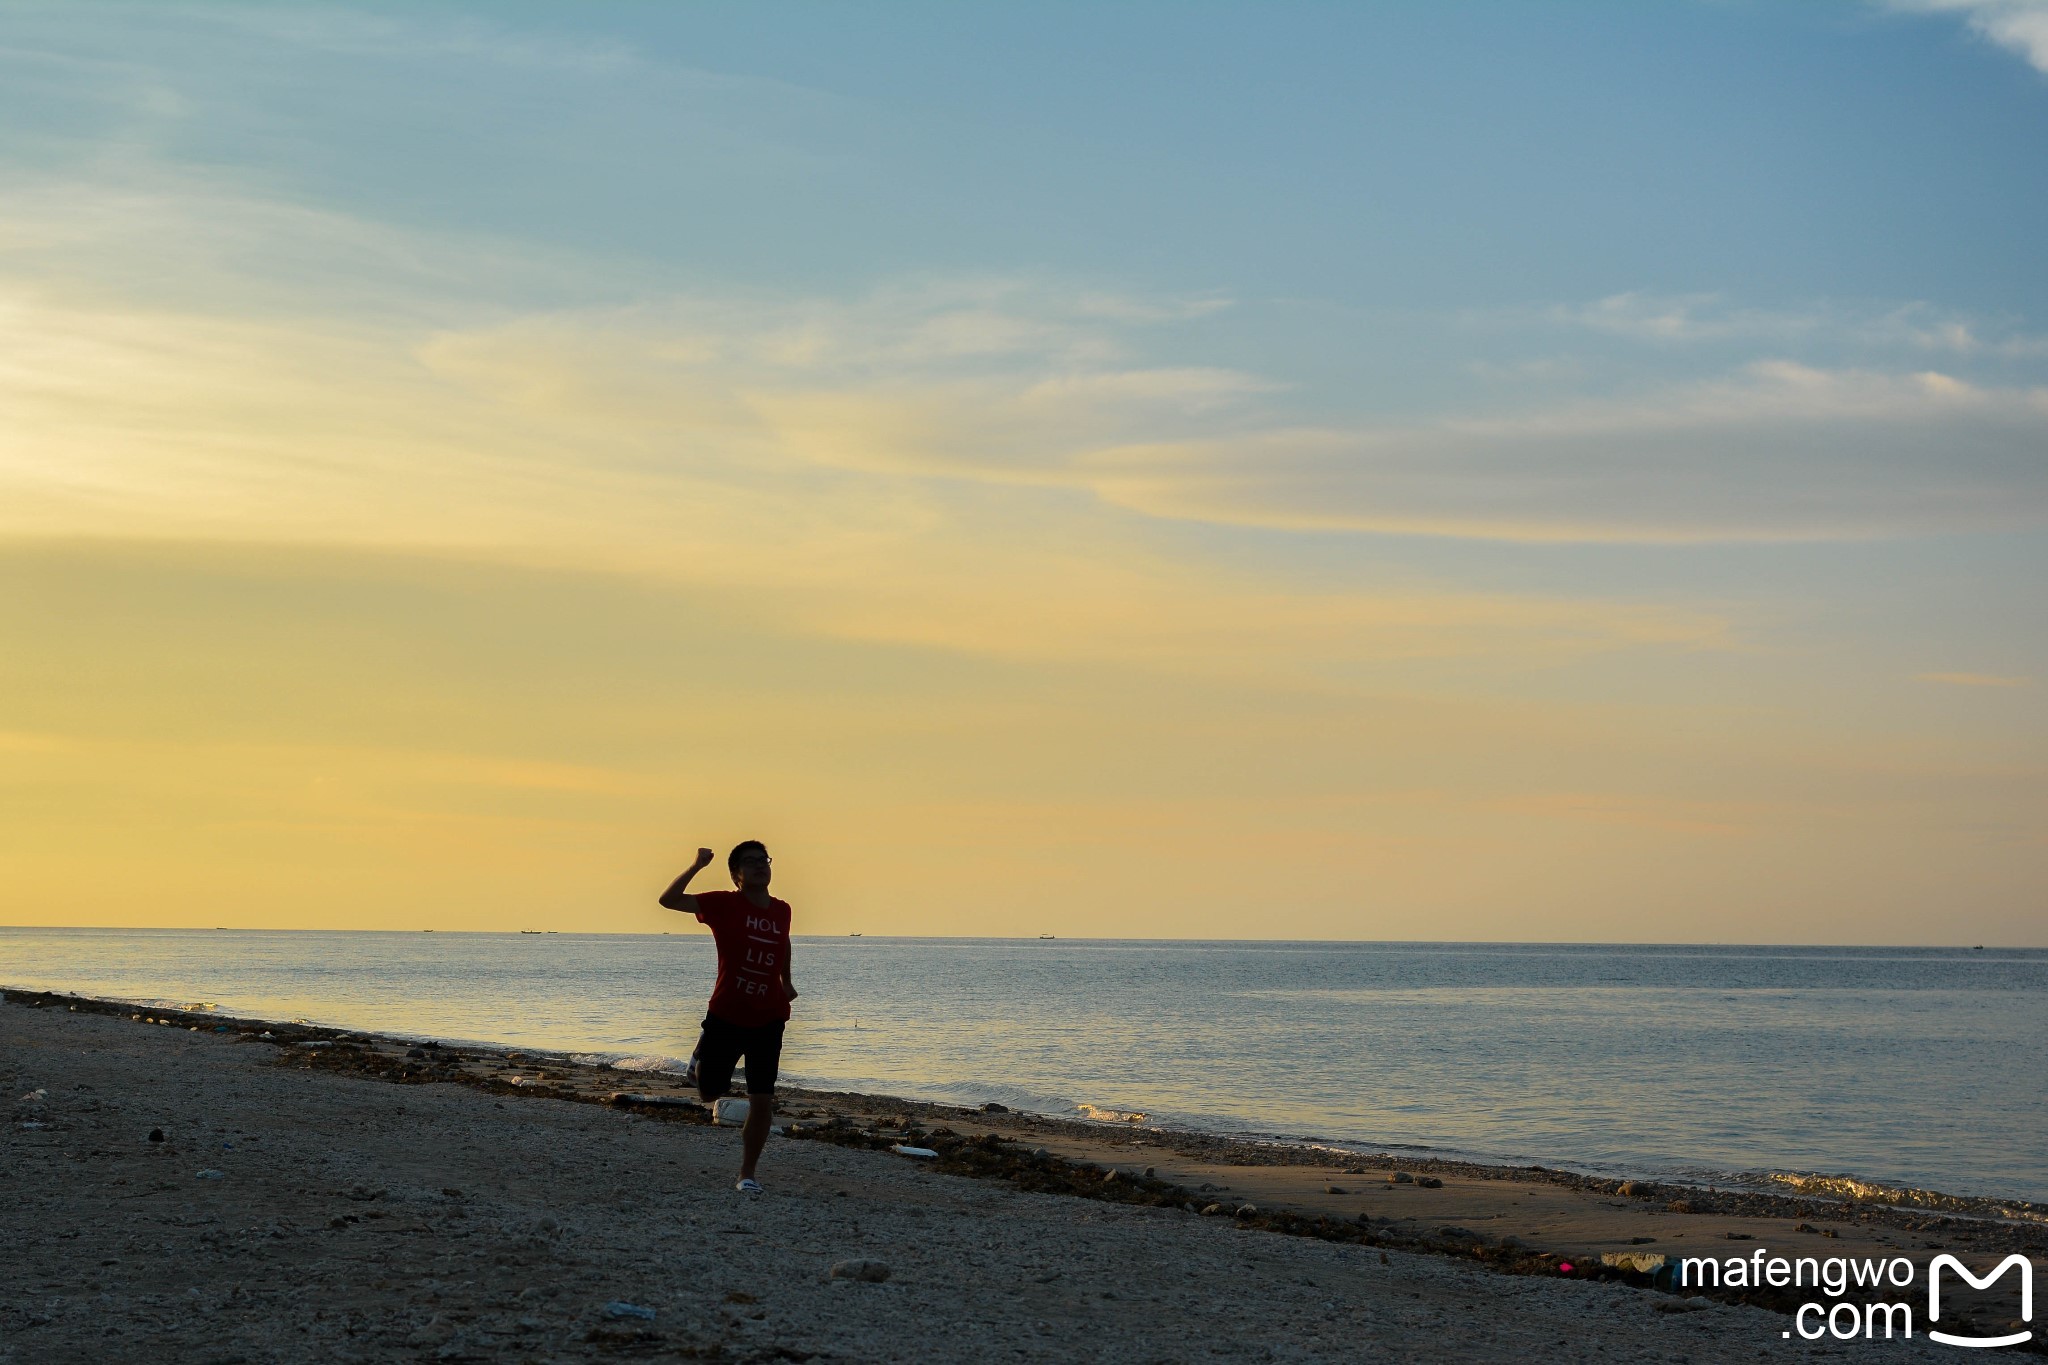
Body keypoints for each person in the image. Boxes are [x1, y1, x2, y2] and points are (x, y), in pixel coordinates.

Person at [658, 840, 797, 1193]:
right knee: (709, 1093)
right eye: (749, 863)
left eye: (763, 860)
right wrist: (696, 866)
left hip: (769, 1018)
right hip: (727, 1015)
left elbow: (783, 941)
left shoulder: (782, 910)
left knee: (762, 1099)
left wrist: (786, 982)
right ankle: (701, 1056)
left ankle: (747, 1175)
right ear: (736, 875)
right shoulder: (723, 904)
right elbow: (668, 900)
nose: (759, 866)